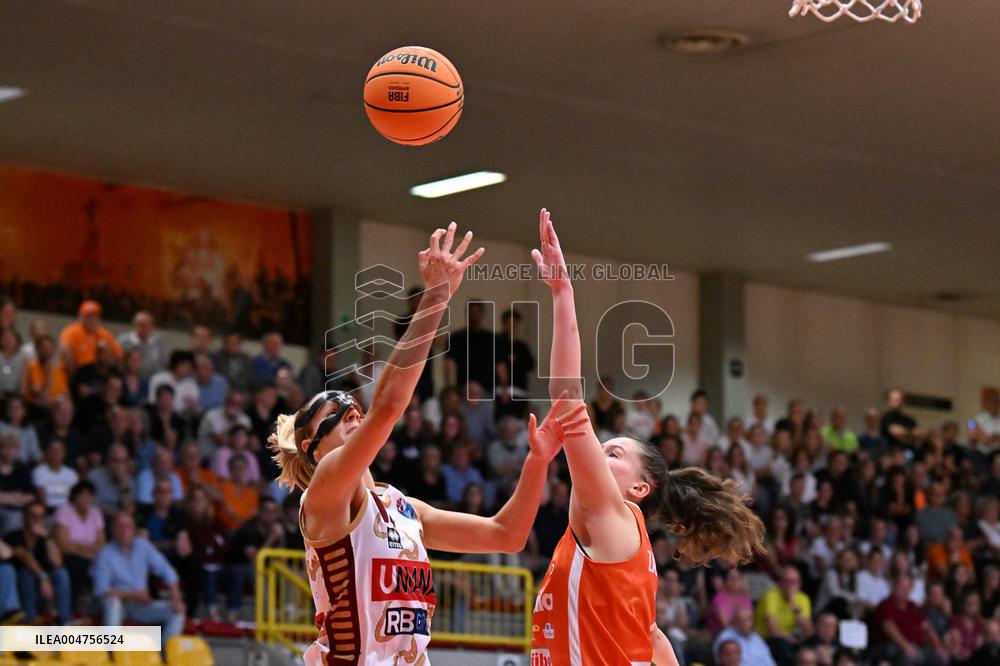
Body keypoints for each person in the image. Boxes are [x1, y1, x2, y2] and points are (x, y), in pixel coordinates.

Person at [267, 223, 568, 665]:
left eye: (353, 405)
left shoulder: (403, 509)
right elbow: (388, 407)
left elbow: (508, 535)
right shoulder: (325, 491)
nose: (352, 410)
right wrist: (437, 297)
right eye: (336, 411)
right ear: (313, 447)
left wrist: (537, 461)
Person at [527, 209, 764, 666]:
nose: (597, 450)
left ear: (639, 488)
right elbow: (651, 637)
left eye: (612, 452)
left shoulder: (609, 514)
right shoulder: (620, 537)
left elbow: (567, 391)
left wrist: (562, 293)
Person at [91, 512, 185, 641]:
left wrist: (176, 597)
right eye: (120, 526)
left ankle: (165, 653)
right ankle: (111, 652)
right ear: (112, 531)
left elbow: (168, 572)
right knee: (112, 602)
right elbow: (101, 590)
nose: (124, 531)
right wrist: (135, 594)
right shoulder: (104, 554)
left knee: (177, 611)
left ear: (134, 530)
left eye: (128, 526)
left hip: (140, 605)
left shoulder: (143, 546)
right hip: (118, 605)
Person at [5, 501, 71, 624]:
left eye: (41, 516)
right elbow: (25, 557)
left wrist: (47, 537)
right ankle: (32, 619)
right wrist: (43, 577)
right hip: (23, 586)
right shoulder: (13, 536)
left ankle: (64, 620)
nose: (37, 520)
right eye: (33, 515)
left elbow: (58, 562)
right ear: (24, 516)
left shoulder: (44, 539)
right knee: (26, 573)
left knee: (61, 573)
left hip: (46, 589)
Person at [872, 571, 947, 665]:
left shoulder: (913, 607)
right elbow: (890, 628)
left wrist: (938, 646)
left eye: (908, 588)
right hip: (891, 646)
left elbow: (927, 627)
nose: (905, 591)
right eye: (902, 587)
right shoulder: (886, 605)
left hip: (916, 646)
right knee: (909, 656)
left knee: (941, 657)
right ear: (894, 587)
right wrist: (906, 646)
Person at [755, 565, 814, 665]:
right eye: (787, 581)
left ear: (799, 584)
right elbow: (773, 631)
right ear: (780, 583)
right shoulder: (770, 596)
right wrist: (793, 640)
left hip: (792, 638)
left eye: (794, 582)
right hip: (767, 639)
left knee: (813, 645)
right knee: (782, 646)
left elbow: (809, 631)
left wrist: (795, 608)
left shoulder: (803, 598)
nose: (790, 585)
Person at [59, 300, 122, 373]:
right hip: (77, 373)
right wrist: (76, 376)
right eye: (88, 316)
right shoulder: (71, 331)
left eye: (95, 316)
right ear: (80, 317)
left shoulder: (105, 334)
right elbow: (65, 351)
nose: (91, 319)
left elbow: (118, 354)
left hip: (97, 376)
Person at [117, 311, 167, 381]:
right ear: (134, 325)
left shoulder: (159, 342)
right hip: (129, 381)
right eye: (141, 325)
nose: (145, 328)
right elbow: (118, 362)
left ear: (153, 326)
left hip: (153, 381)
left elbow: (164, 362)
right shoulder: (123, 340)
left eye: (148, 325)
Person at [32, 439, 78, 509]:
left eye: (59, 450)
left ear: (64, 453)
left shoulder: (71, 473)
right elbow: (41, 497)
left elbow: (75, 497)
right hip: (47, 511)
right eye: (52, 450)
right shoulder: (39, 471)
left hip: (68, 512)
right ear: (47, 452)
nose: (56, 453)